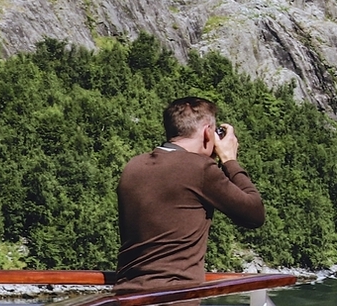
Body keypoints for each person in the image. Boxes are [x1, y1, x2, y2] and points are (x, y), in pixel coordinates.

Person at [114, 97, 266, 293]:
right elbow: (254, 214)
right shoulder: (200, 169)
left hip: (125, 294)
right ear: (207, 132)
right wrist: (229, 160)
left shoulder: (133, 166)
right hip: (171, 298)